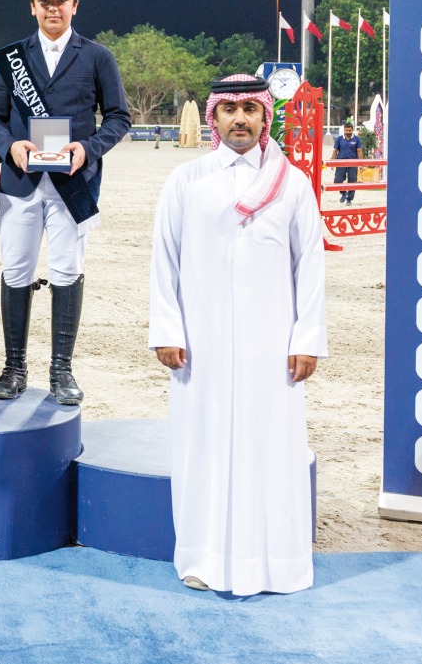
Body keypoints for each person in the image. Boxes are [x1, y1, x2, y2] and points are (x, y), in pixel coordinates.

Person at [148, 73, 327, 596]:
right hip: (199, 349)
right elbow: (166, 261)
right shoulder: (187, 180)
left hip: (272, 350)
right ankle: (203, 559)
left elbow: (310, 265)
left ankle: (277, 565)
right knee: (201, 448)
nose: (241, 119)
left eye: (251, 108)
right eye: (231, 110)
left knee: (271, 449)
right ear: (215, 118)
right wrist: (167, 328)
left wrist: (306, 338)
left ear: (265, 116)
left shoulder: (290, 183)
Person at [0, 0, 130, 405]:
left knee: (66, 271)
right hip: (20, 182)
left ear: (74, 5)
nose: (52, 6)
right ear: (32, 6)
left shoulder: (98, 56)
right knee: (16, 272)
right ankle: (13, 368)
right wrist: (11, 147)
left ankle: (61, 370)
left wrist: (89, 147)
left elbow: (119, 117)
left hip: (72, 182)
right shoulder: (8, 58)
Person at [332, 121, 361, 204]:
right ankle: (344, 193)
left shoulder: (356, 139)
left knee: (352, 181)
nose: (348, 132)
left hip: (353, 163)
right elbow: (335, 151)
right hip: (341, 162)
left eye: (349, 130)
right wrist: (333, 162)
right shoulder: (339, 139)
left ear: (352, 130)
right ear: (344, 130)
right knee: (337, 180)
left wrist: (361, 164)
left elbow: (359, 152)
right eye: (346, 130)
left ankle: (349, 199)